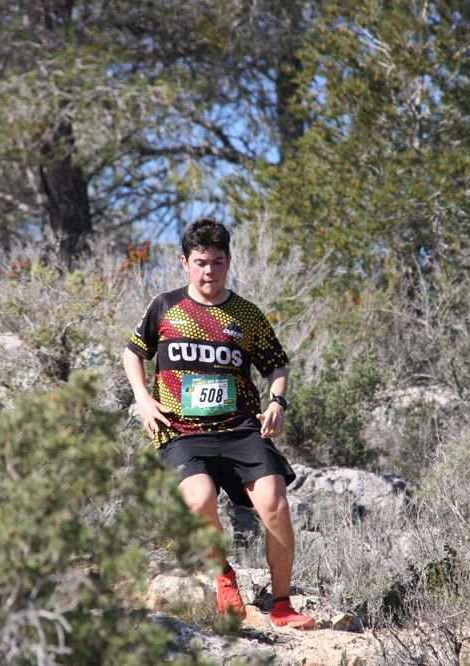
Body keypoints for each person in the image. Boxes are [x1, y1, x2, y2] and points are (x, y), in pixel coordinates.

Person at [122, 218, 316, 630]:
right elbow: (133, 352)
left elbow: (277, 364)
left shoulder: (246, 314)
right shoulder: (165, 306)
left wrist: (277, 401)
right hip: (181, 431)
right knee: (199, 500)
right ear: (184, 263)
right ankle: (224, 576)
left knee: (275, 505)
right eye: (200, 262)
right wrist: (142, 398)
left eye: (217, 262)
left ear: (228, 261)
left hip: (241, 428)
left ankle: (282, 606)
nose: (209, 271)